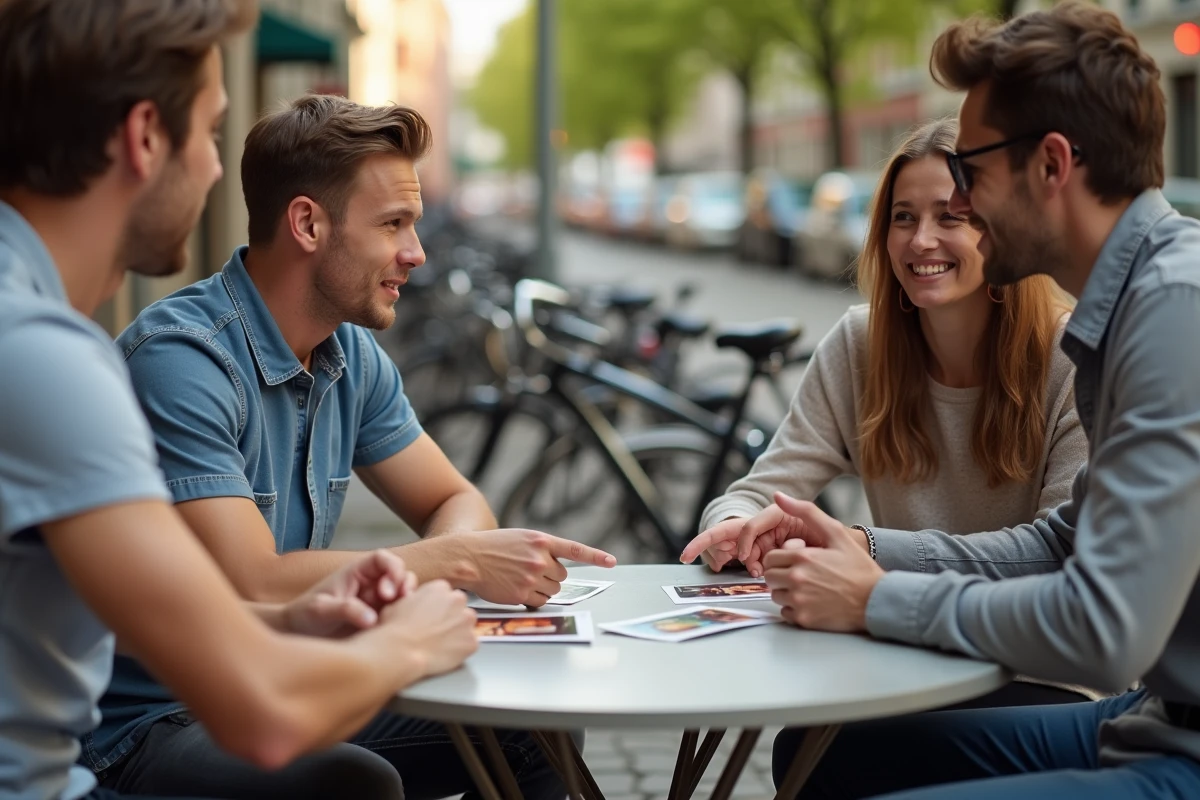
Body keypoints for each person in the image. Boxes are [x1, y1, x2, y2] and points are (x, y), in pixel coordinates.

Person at [0, 2, 479, 800]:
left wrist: (300, 618)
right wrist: (413, 639)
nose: (220, 170)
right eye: (212, 135)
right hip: (88, 765)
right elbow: (263, 713)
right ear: (145, 136)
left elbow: (191, 617)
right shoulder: (45, 357)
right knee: (354, 784)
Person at [83, 94, 610, 800]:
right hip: (152, 720)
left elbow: (454, 499)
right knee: (352, 782)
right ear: (307, 223)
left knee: (533, 725)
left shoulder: (350, 355)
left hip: (289, 675)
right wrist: (452, 560)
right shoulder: (183, 359)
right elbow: (250, 580)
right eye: (393, 224)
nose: (415, 253)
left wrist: (461, 555)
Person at [751, 3, 1200, 798]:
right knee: (830, 758)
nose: (967, 204)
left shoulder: (1173, 311)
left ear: (1052, 165)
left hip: (1179, 752)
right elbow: (1065, 542)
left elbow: (1105, 630)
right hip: (1153, 717)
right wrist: (867, 547)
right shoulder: (1135, 302)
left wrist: (879, 600)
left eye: (974, 171)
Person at [682, 118, 1091, 709]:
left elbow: (1057, 556)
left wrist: (866, 547)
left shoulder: (1072, 356)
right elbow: (759, 491)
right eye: (904, 217)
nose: (921, 239)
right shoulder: (860, 344)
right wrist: (737, 529)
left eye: (951, 216)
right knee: (800, 752)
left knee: (836, 759)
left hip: (1035, 675)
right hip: (905, 658)